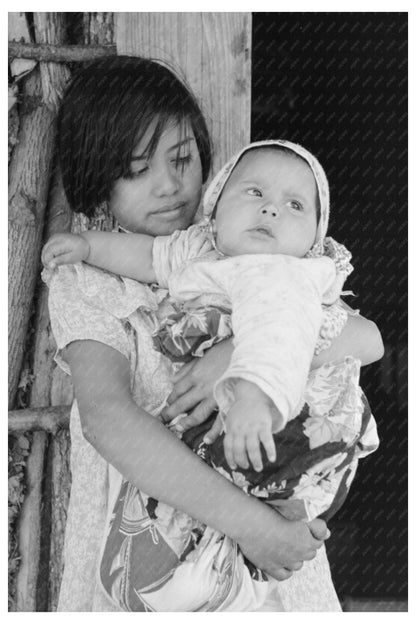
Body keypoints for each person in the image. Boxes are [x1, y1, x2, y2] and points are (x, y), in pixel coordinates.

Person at [42, 57, 383, 612]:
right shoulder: (88, 281)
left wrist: (236, 355)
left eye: (182, 159)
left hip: (273, 557)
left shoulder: (251, 247)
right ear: (97, 187)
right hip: (152, 554)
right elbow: (107, 419)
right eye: (135, 170)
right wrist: (252, 527)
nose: (170, 186)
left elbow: (368, 339)